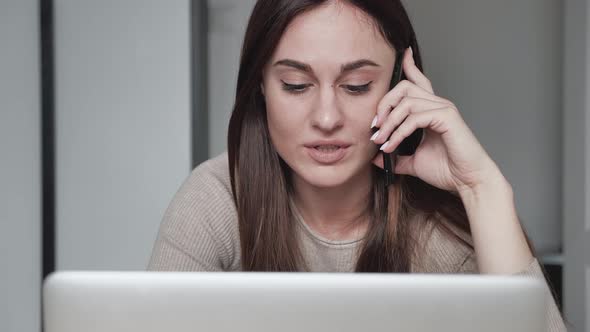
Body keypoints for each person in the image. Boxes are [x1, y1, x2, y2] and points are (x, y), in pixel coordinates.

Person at [148, 0, 566, 330]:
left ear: (399, 86)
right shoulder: (217, 200)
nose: (327, 118)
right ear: (260, 86)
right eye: (296, 86)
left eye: (356, 86)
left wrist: (482, 188)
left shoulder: (442, 239)